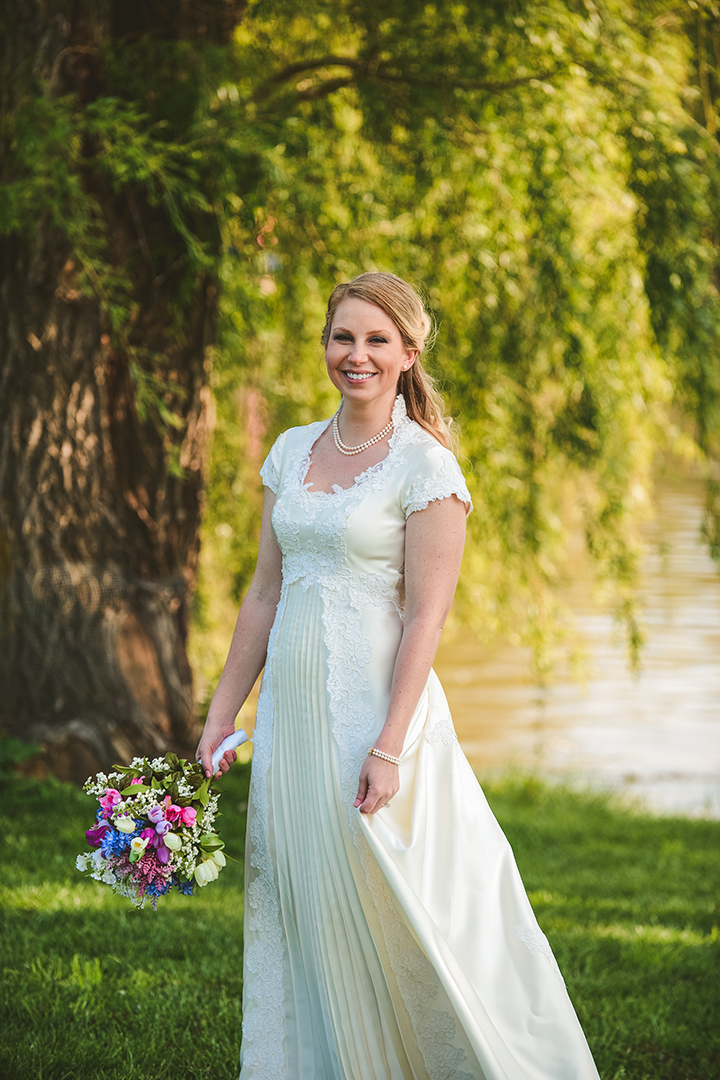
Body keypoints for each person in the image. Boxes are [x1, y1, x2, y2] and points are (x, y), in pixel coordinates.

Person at [197, 272, 601, 1080]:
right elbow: (263, 593)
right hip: (292, 714)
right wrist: (221, 716)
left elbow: (426, 616)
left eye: (378, 340)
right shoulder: (290, 450)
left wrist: (389, 746)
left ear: (409, 352)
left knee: (406, 899)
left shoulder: (428, 468)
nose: (358, 355)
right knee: (308, 895)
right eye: (343, 337)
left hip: (377, 715)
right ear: (323, 345)